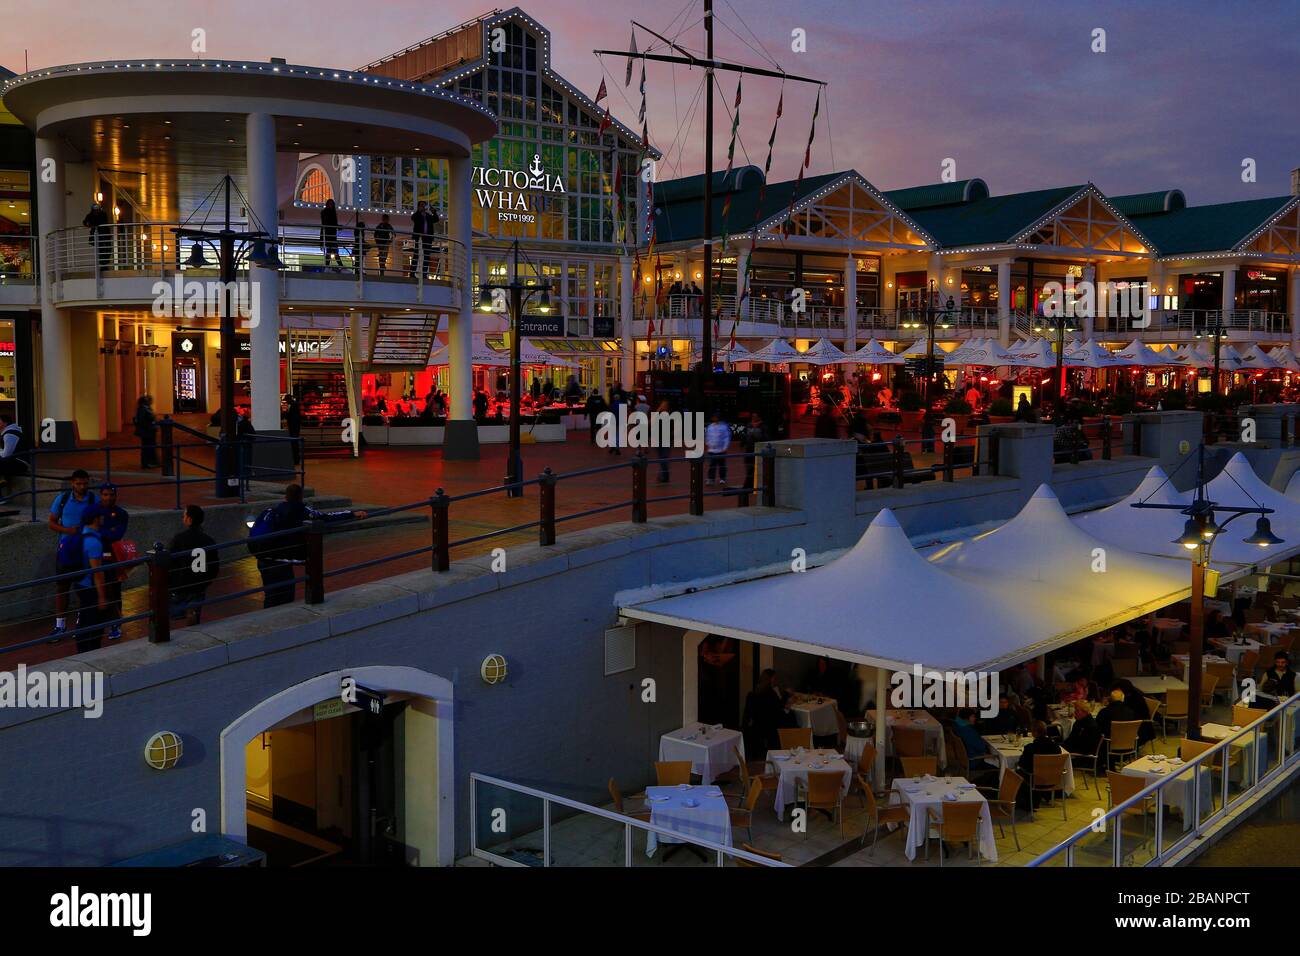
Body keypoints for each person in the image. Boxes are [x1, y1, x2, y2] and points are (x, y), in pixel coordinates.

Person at [254, 484, 368, 608]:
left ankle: (269, 619)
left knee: (271, 594)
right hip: (283, 560)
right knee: (285, 596)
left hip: (264, 558)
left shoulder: (270, 511)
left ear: (285, 497)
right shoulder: (303, 512)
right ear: (301, 497)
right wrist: (351, 514)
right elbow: (327, 517)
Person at [47, 469, 99, 641]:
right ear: (72, 483)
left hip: (85, 552)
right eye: (78, 483)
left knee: (83, 588)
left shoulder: (93, 500)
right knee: (62, 587)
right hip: (66, 552)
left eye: (85, 483)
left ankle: (81, 623)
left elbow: (100, 522)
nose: (82, 486)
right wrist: (67, 530)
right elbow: (51, 523)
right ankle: (60, 625)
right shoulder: (62, 500)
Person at [168, 504, 219, 626]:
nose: (183, 518)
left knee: (175, 615)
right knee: (194, 614)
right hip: (199, 584)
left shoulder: (180, 538)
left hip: (182, 585)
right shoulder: (208, 540)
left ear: (189, 519)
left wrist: (172, 581)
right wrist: (206, 582)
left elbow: (171, 561)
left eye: (184, 516)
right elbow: (214, 566)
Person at [71, 505, 109, 654]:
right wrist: (102, 597)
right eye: (100, 516)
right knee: (92, 622)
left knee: (85, 619)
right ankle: (89, 651)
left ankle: (84, 649)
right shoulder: (93, 542)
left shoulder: (82, 534)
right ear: (95, 519)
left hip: (80, 583)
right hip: (89, 587)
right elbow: (97, 573)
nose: (103, 518)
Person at [96, 483, 129, 641]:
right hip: (94, 556)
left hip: (112, 557)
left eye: (111, 494)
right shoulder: (93, 510)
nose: (108, 498)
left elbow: (117, 535)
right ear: (100, 495)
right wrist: (106, 532)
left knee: (114, 590)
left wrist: (98, 530)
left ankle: (116, 623)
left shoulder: (122, 513)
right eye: (105, 494)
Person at [741, 668, 793, 760]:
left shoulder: (755, 691)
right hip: (768, 726)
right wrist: (786, 694)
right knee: (790, 717)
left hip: (756, 724)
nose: (776, 680)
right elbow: (779, 706)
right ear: (772, 678)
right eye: (775, 678)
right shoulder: (770, 692)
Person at [1016, 721, 1063, 809]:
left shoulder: (1030, 748)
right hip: (1053, 780)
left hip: (1035, 780)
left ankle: (1025, 800)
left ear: (1034, 733)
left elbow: (1022, 764)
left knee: (1016, 772)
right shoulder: (1057, 747)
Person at [411, 200, 439, 278]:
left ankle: (424, 274)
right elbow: (413, 218)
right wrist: (418, 211)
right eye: (422, 205)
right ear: (419, 206)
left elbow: (436, 219)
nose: (423, 206)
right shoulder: (417, 215)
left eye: (424, 205)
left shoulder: (428, 216)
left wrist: (434, 212)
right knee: (416, 254)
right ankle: (412, 273)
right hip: (419, 237)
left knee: (427, 256)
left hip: (427, 238)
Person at [0, 413, 27, 488]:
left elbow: (6, 455)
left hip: (21, 463)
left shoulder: (10, 434)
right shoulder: (7, 433)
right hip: (15, 462)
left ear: (5, 423)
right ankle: (2, 479)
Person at [83, 198, 110, 269]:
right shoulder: (90, 215)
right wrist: (89, 225)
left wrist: (90, 224)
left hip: (104, 234)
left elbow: (104, 222)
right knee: (101, 249)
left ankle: (104, 264)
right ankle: (103, 264)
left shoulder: (102, 214)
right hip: (99, 234)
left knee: (107, 249)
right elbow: (85, 222)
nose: (96, 211)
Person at [132, 394, 158, 468]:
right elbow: (145, 420)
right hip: (147, 432)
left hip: (147, 431)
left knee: (147, 447)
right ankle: (147, 463)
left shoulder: (143, 409)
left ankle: (149, 462)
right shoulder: (144, 409)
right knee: (147, 447)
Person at [705, 411, 730, 486]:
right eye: (714, 417)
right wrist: (708, 444)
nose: (715, 418)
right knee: (712, 465)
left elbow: (726, 437)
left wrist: (725, 447)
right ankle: (711, 479)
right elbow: (707, 436)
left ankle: (722, 478)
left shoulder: (724, 426)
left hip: (721, 450)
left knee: (722, 465)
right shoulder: (710, 427)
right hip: (712, 450)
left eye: (716, 417)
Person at [320, 198, 342, 271]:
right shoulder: (325, 212)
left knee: (333, 251)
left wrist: (338, 227)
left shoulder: (332, 212)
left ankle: (329, 266)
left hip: (331, 235)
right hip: (328, 235)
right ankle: (339, 266)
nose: (331, 206)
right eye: (330, 204)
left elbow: (333, 224)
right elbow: (326, 224)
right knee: (332, 251)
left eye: (332, 204)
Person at [285, 395, 302, 465]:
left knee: (294, 443)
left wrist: (286, 415)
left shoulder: (293, 405)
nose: (286, 402)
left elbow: (291, 417)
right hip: (295, 427)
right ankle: (296, 459)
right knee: (295, 443)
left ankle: (296, 459)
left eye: (286, 400)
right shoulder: (294, 404)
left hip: (293, 427)